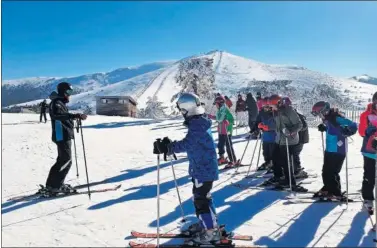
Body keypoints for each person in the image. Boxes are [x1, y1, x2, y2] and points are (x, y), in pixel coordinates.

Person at [154, 92, 221, 245]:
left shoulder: (197, 124)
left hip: (203, 169)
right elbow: (191, 142)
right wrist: (171, 145)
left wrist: (169, 147)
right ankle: (208, 224)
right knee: (202, 197)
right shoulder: (199, 122)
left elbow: (188, 144)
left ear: (187, 109)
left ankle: (210, 231)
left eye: (182, 110)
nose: (182, 113)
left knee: (201, 200)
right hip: (202, 168)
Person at [41, 82, 87, 196]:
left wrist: (75, 117)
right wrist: (73, 116)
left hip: (63, 134)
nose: (70, 95)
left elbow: (63, 115)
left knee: (62, 160)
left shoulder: (60, 102)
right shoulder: (56, 103)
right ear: (63, 92)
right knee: (66, 160)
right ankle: (56, 186)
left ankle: (51, 185)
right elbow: (56, 116)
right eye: (68, 92)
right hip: (61, 135)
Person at [311, 101, 357, 199]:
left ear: (325, 111)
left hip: (338, 150)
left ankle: (335, 192)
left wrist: (348, 131)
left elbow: (353, 125)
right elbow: (332, 129)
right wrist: (324, 128)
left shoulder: (336, 117)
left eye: (320, 113)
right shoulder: (327, 119)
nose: (320, 116)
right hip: (329, 149)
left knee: (332, 172)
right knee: (325, 171)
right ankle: (328, 188)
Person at [269, 94, 308, 192]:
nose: (271, 107)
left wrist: (290, 131)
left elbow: (300, 125)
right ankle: (279, 177)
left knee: (286, 162)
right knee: (275, 158)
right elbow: (278, 126)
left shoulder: (289, 110)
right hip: (280, 139)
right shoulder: (276, 112)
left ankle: (290, 181)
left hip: (289, 140)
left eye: (272, 105)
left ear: (278, 103)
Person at [278, 97, 309, 179]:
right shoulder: (288, 112)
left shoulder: (293, 113)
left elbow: (302, 126)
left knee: (294, 155)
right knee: (293, 155)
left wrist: (292, 131)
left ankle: (297, 170)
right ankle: (294, 170)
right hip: (296, 137)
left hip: (299, 138)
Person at [359, 92, 377, 210]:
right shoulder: (366, 114)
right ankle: (368, 198)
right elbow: (361, 131)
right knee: (369, 173)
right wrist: (368, 132)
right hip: (369, 150)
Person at [210, 95, 238, 168]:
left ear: (220, 103)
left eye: (216, 104)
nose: (215, 105)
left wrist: (228, 122)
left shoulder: (225, 109)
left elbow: (231, 119)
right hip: (221, 130)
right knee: (220, 145)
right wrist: (210, 116)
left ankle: (233, 160)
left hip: (227, 130)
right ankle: (222, 158)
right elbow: (218, 118)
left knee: (228, 145)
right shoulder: (220, 109)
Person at [254, 96, 276, 171]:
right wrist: (258, 127)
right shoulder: (262, 113)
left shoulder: (275, 113)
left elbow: (278, 124)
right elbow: (258, 121)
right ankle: (268, 162)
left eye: (267, 107)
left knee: (273, 152)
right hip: (265, 136)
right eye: (264, 107)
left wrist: (269, 127)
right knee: (265, 151)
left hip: (274, 137)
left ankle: (274, 165)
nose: (265, 108)